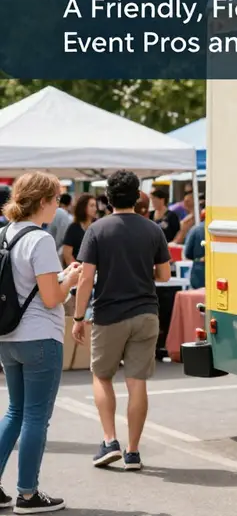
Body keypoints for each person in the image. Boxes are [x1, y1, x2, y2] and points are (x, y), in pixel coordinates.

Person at [71, 170, 171, 471]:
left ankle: (110, 440)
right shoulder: (153, 230)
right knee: (136, 381)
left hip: (109, 313)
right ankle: (133, 451)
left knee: (102, 376)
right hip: (145, 312)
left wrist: (78, 317)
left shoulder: (97, 230)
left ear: (108, 198)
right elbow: (164, 275)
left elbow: (86, 278)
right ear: (137, 195)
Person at [0, 171, 82, 514]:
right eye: (58, 199)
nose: (59, 205)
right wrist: (71, 278)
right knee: (35, 417)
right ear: (44, 201)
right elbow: (51, 297)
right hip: (40, 338)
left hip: (8, 335)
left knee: (15, 412)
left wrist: (59, 279)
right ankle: (28, 494)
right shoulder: (41, 240)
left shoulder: (4, 233)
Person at [61, 193, 97, 266]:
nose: (95, 209)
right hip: (78, 270)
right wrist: (78, 270)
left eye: (95, 206)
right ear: (83, 207)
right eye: (92, 206)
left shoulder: (98, 225)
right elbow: (67, 254)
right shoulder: (74, 228)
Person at [48, 193, 72, 261]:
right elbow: (62, 236)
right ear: (69, 203)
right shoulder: (63, 214)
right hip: (57, 251)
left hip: (50, 248)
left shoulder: (55, 212)